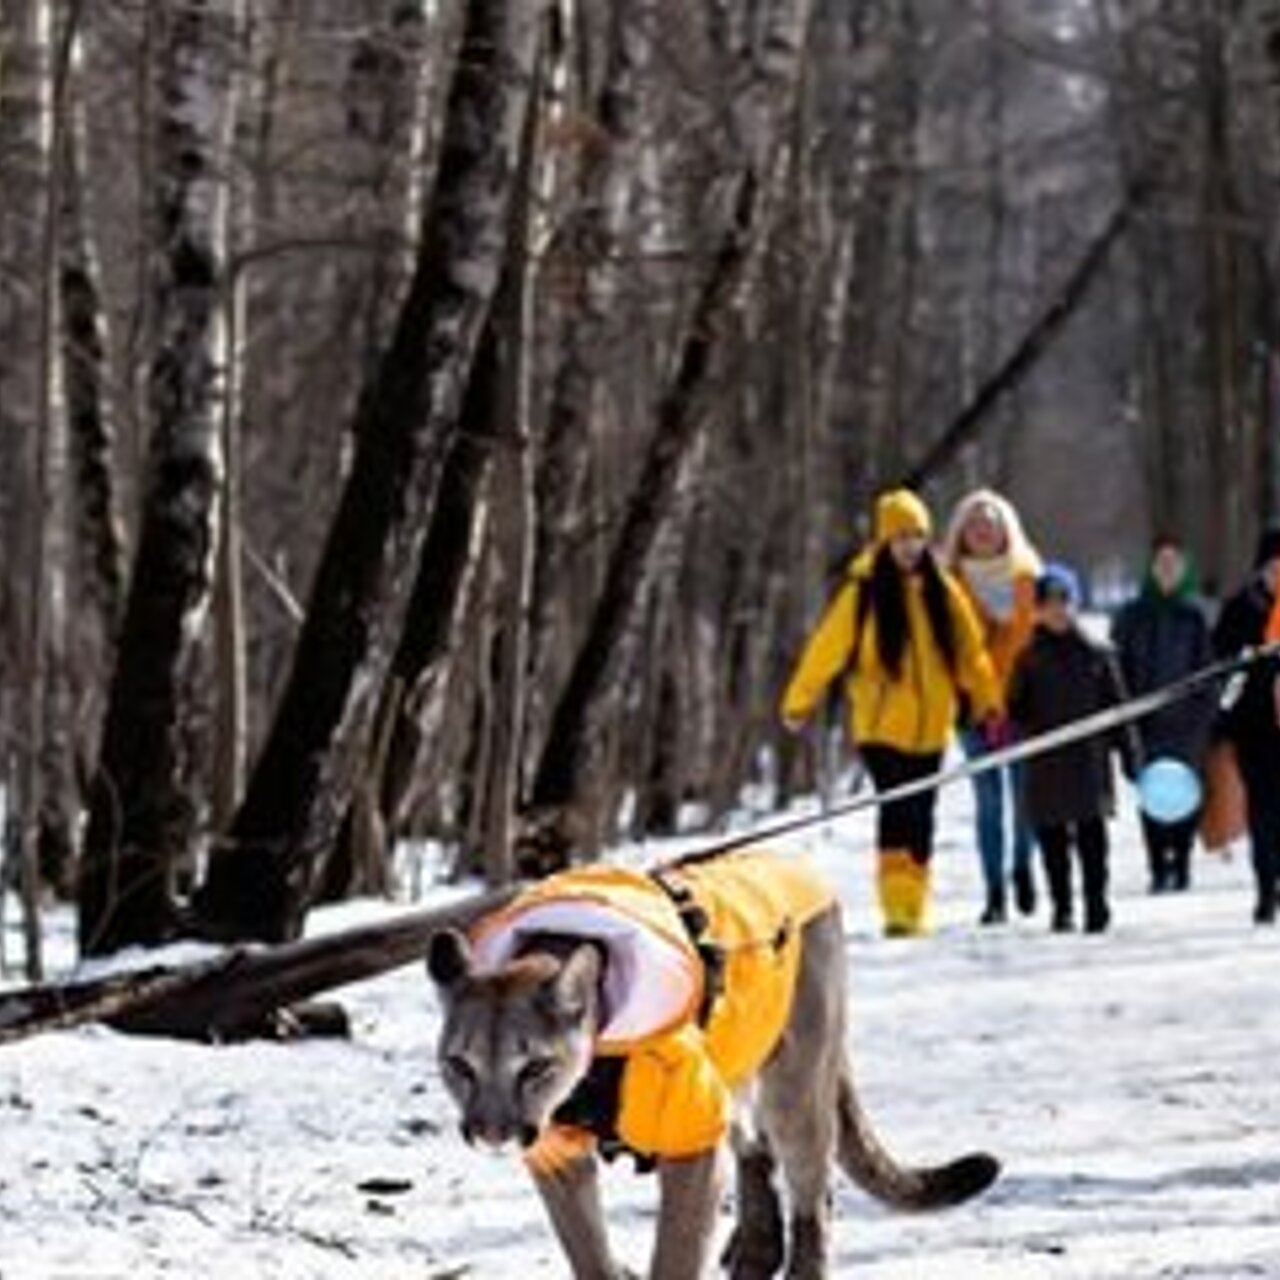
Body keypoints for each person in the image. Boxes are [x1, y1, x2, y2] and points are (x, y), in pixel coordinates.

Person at [780, 487, 1003, 937]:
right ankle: (896, 908)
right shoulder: (863, 593)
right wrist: (799, 701)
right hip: (880, 729)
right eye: (901, 537)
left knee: (922, 815)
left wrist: (988, 702)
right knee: (897, 811)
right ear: (884, 541)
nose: (910, 546)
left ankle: (914, 905)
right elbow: (827, 649)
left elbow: (970, 654)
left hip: (932, 728)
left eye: (918, 536)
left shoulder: (943, 589)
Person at [1007, 563, 1135, 934]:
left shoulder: (1097, 654)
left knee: (1093, 840)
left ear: (1074, 604)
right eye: (1048, 603)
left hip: (1088, 764)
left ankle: (1097, 903)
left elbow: (1119, 709)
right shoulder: (1028, 659)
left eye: (1063, 601)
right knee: (1053, 844)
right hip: (1046, 765)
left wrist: (1130, 755)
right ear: (1038, 610)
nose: (1057, 610)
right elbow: (1015, 708)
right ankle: (1062, 906)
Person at [942, 488, 1042, 924]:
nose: (983, 530)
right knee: (988, 803)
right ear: (961, 533)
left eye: (991, 522)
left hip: (1025, 704)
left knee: (1025, 800)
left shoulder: (1030, 578)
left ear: (1007, 529)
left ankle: (1022, 866)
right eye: (974, 524)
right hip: (972, 709)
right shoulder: (946, 583)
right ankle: (994, 891)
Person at [1110, 535, 1214, 893]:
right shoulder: (1131, 616)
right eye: (1161, 564)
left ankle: (1182, 862)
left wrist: (1204, 716)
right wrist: (1124, 723)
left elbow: (1208, 670)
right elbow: (1117, 670)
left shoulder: (1195, 616)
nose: (1167, 570)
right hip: (1145, 725)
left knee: (1185, 793)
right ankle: (1157, 865)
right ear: (1151, 569)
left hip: (1187, 724)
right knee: (1152, 795)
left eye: (1174, 564)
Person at [1211, 525, 1280, 924]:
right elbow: (1222, 668)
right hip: (1254, 728)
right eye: (1272, 567)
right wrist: (1249, 658)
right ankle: (1265, 888)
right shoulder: (1241, 608)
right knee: (1263, 812)